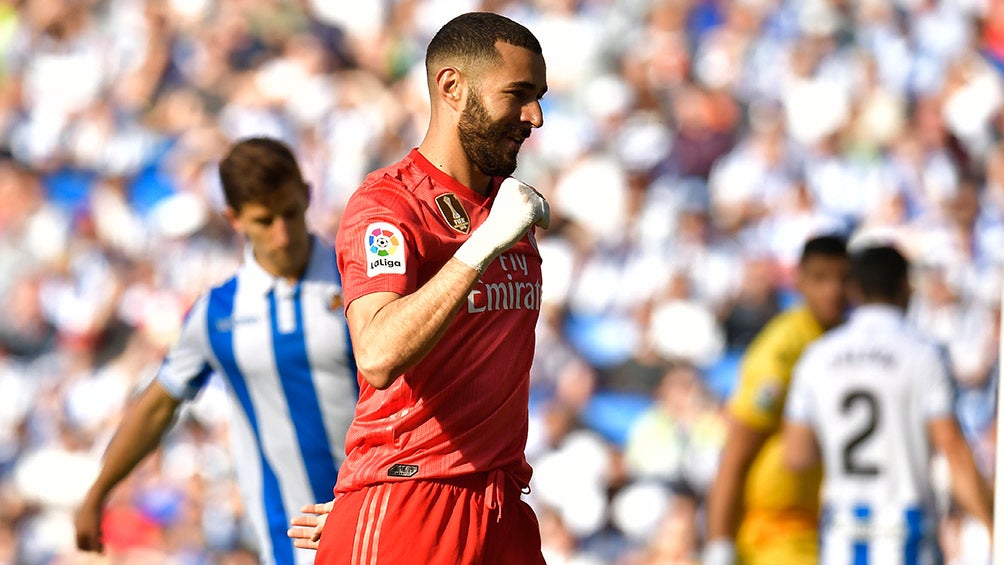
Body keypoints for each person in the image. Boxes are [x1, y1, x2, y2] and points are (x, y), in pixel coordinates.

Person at [296, 11, 549, 565]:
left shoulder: (507, 208)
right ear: (452, 87)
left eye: (540, 96)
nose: (535, 116)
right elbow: (379, 353)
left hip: (501, 507)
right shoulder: (388, 205)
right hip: (411, 503)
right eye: (519, 93)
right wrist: (372, 500)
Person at [74, 137, 358, 565]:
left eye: (289, 212)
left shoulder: (360, 278)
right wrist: (99, 491)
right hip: (293, 546)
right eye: (265, 221)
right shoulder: (216, 314)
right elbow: (156, 406)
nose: (282, 235)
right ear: (234, 219)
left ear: (307, 195)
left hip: (385, 514)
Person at [782, 245, 993, 564]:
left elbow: (797, 455)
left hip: (842, 529)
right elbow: (951, 446)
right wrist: (991, 523)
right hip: (905, 527)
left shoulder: (817, 357)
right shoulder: (924, 354)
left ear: (855, 289)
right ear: (904, 286)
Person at [704, 234, 850, 565]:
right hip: (776, 537)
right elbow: (735, 456)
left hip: (829, 530)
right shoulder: (782, 351)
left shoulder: (847, 342)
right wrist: (719, 546)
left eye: (843, 279)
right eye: (820, 279)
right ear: (799, 282)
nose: (834, 291)